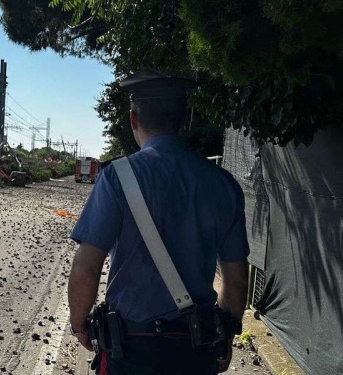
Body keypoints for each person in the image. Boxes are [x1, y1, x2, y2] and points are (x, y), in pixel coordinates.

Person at [68, 71, 249, 374]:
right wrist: (225, 335)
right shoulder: (223, 184)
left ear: (133, 119)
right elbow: (236, 276)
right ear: (185, 119)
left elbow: (87, 265)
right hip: (195, 349)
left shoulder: (117, 177)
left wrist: (79, 325)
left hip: (129, 348)